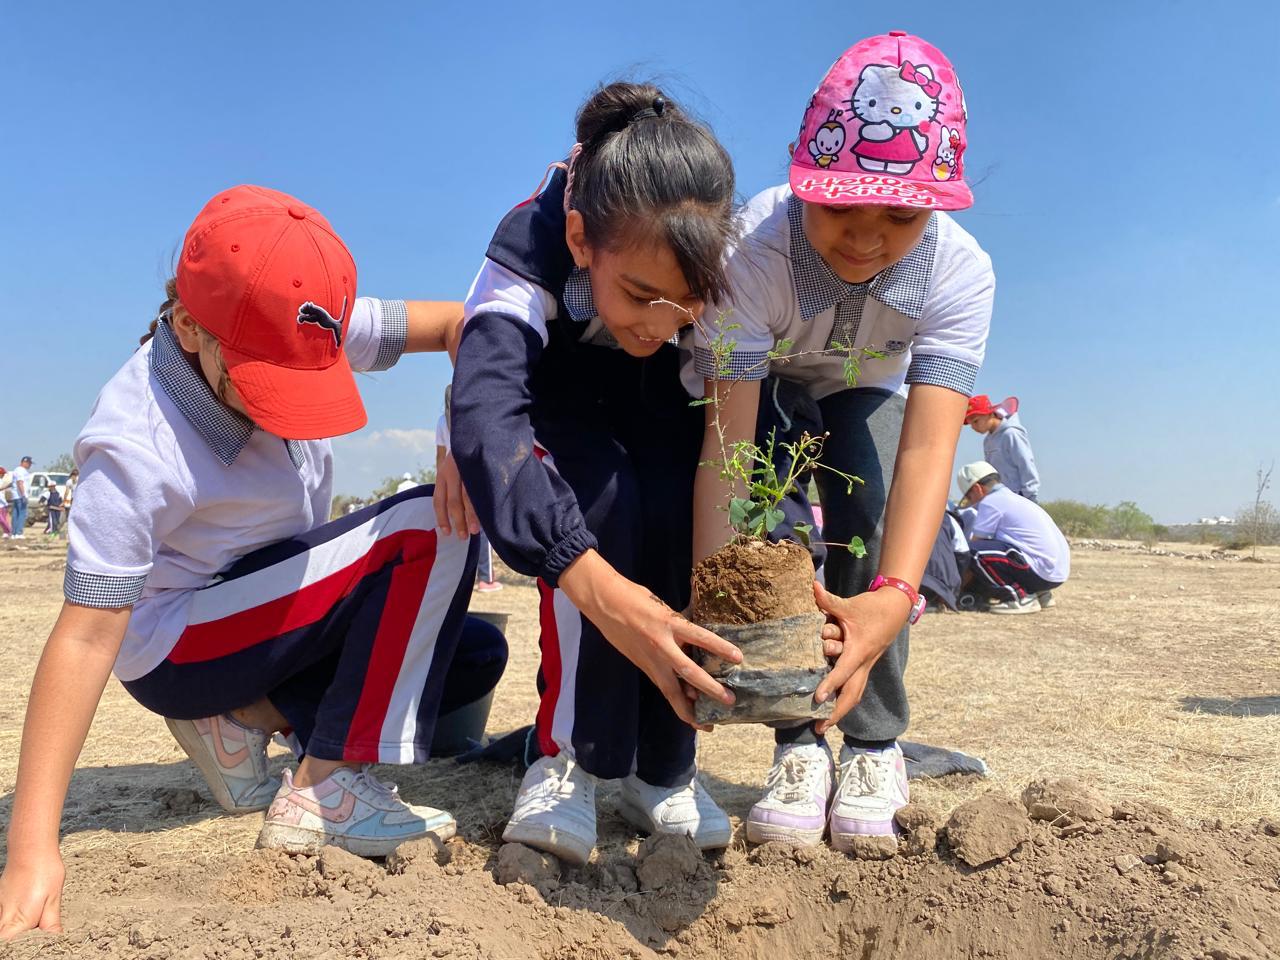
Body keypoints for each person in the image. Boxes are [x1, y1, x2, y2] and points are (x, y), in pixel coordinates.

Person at [0, 185, 491, 940]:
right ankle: (320, 791)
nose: (291, 409)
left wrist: (459, 421)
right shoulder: (136, 446)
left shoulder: (303, 317)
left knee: (475, 655)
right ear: (191, 328)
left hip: (261, 604)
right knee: (429, 528)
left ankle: (245, 718)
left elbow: (463, 324)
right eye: (271, 384)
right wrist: (33, 851)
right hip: (181, 643)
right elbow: (86, 636)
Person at [448, 80, 765, 866]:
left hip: (660, 402)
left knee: (668, 510)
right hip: (554, 392)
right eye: (640, 294)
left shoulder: (713, 265)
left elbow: (732, 433)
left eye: (685, 301)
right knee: (597, 509)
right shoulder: (531, 238)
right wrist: (581, 570)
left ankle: (664, 767)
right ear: (583, 238)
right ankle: (568, 759)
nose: (662, 324)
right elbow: (490, 407)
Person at [694, 32, 994, 851]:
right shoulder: (751, 252)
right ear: (801, 185)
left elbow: (930, 449)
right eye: (837, 209)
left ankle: (874, 743)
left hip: (867, 389)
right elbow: (730, 446)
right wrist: (713, 597)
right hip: (765, 388)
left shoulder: (959, 274)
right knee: (778, 527)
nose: (865, 238)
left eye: (899, 214)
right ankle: (798, 743)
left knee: (871, 496)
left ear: (934, 206)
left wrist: (892, 598)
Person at [955, 461, 1068, 614]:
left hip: (1041, 571)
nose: (971, 501)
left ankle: (1018, 598)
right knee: (999, 549)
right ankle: (1041, 593)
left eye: (969, 496)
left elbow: (976, 546)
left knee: (974, 552)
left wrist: (957, 586)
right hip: (1056, 573)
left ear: (977, 489)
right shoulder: (1016, 499)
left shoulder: (991, 502)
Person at [965, 394, 1040, 501]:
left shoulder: (1011, 434)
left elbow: (1026, 463)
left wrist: (1030, 495)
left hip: (1020, 496)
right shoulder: (987, 441)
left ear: (990, 414)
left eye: (976, 421)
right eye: (971, 424)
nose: (973, 427)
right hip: (1002, 497)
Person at [10, 456, 32, 538]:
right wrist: (23, 495)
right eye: (29, 463)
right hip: (20, 495)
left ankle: (14, 533)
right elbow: (20, 482)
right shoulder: (20, 471)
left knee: (16, 514)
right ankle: (19, 533)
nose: (30, 465)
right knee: (21, 514)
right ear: (25, 462)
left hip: (16, 496)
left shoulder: (17, 470)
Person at [0, 467, 12, 538]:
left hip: (2, 504)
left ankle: (7, 531)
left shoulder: (1, 481)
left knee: (3, 519)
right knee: (2, 519)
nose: (3, 475)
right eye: (3, 474)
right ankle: (7, 531)